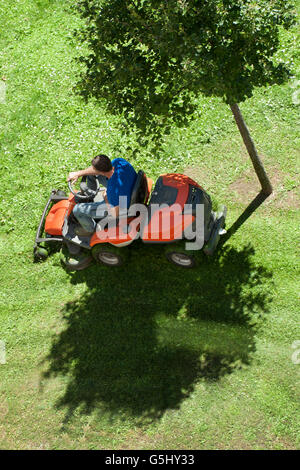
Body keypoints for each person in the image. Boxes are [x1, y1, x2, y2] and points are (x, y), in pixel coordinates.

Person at [67, 154, 137, 236]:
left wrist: (105, 196)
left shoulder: (113, 192)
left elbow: (115, 213)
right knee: (91, 175)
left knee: (77, 210)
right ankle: (89, 197)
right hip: (127, 187)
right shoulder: (119, 162)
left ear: (102, 172)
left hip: (119, 206)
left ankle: (90, 229)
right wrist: (79, 173)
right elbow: (96, 172)